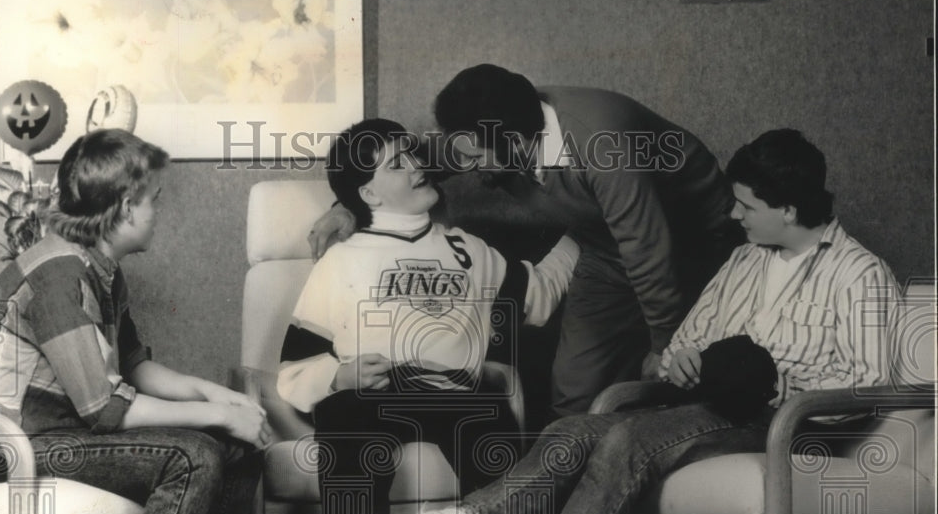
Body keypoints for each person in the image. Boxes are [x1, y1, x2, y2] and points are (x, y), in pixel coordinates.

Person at [343, 129, 901, 514]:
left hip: (783, 424)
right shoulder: (746, 260)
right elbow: (684, 342)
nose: (733, 216)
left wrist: (776, 384)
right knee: (571, 431)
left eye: (745, 206)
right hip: (710, 409)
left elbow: (868, 383)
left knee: (627, 439)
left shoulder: (860, 274)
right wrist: (678, 361)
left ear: (787, 208)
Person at [277, 118, 579, 514]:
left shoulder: (471, 249)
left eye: (411, 154)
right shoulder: (342, 258)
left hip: (451, 392)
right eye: (396, 164)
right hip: (370, 392)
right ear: (368, 193)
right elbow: (293, 369)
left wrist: (586, 235)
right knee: (345, 419)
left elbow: (539, 297)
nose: (417, 165)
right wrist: (340, 376)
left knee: (493, 422)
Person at [0, 129, 272, 514]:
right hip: (14, 445)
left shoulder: (101, 268)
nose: (159, 211)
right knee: (191, 457)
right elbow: (105, 408)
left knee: (238, 449)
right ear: (123, 206)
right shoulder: (58, 272)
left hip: (68, 435)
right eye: (153, 199)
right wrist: (214, 416)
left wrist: (218, 396)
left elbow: (135, 367)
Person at [309, 64, 745, 419]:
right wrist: (346, 205)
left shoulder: (602, 142)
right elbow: (405, 168)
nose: (470, 169)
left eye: (477, 158)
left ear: (516, 143)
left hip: (691, 246)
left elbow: (649, 251)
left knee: (683, 376)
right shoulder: (497, 127)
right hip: (606, 247)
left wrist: (662, 346)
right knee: (575, 388)